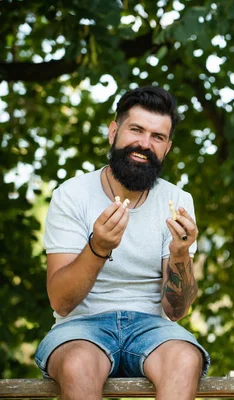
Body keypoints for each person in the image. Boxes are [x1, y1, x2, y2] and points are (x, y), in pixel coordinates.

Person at [35, 86, 210, 400]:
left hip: (152, 329)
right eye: (136, 130)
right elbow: (61, 302)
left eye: (157, 137)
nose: (144, 144)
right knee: (78, 364)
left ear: (167, 148)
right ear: (113, 131)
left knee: (186, 358)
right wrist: (98, 248)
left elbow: (176, 311)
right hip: (80, 328)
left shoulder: (177, 201)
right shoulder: (72, 195)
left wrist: (180, 254)